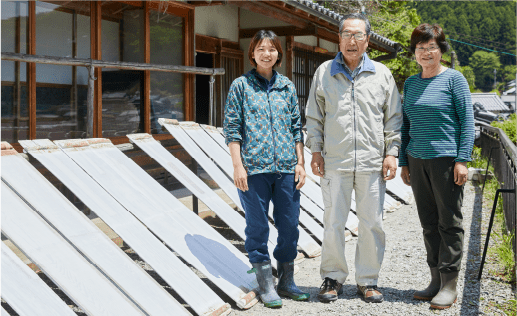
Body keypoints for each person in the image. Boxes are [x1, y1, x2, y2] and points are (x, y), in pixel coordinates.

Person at [306, 13, 402, 303]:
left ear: (368, 41)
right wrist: (316, 150)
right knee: (334, 221)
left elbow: (393, 117)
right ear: (339, 38)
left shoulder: (382, 74)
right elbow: (314, 116)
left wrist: (392, 152)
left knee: (372, 222)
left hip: (373, 162)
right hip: (335, 160)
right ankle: (332, 278)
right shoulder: (324, 71)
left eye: (358, 35)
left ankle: (368, 280)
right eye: (347, 34)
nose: (352, 40)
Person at [223, 30, 309, 308]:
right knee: (257, 227)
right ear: (252, 53)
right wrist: (238, 166)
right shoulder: (241, 85)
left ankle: (286, 281)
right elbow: (232, 129)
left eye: (271, 49)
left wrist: (300, 163)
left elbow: (297, 128)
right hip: (254, 169)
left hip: (286, 167)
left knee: (289, 225)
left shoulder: (287, 86)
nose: (266, 53)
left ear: (278, 54)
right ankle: (265, 284)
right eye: (261, 49)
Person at [399, 23, 474, 309]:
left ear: (440, 50)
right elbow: (407, 125)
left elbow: (467, 122)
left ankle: (449, 283)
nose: (426, 53)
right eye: (420, 48)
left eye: (431, 47)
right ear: (415, 52)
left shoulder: (455, 79)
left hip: (446, 161)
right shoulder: (411, 83)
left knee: (450, 223)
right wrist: (405, 160)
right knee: (429, 223)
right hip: (417, 161)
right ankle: (434, 279)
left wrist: (462, 159)